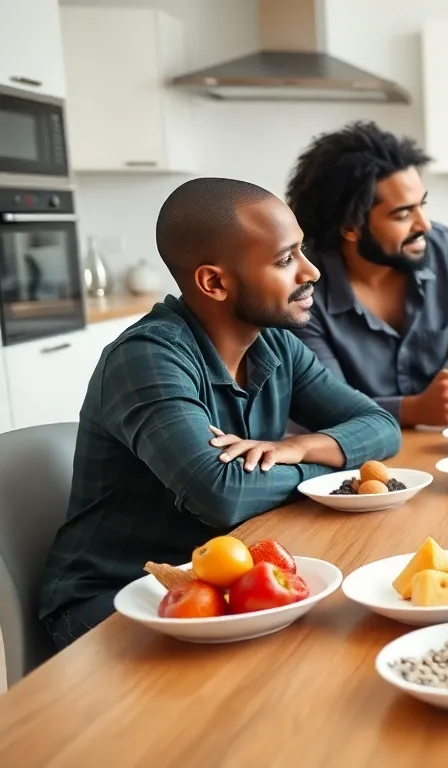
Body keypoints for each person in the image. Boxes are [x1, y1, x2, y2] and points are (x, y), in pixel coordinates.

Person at [38, 178, 403, 648]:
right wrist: (328, 471)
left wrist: (295, 448)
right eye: (285, 259)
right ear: (214, 282)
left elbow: (381, 427)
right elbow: (222, 495)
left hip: (220, 585)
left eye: (302, 251)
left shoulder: (276, 344)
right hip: (117, 597)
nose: (310, 272)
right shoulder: (146, 358)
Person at [286, 121, 448, 427]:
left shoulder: (443, 248)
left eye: (422, 205)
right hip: (349, 454)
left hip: (436, 444)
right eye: (403, 214)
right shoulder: (303, 286)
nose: (424, 224)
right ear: (350, 226)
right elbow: (325, 403)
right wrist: (413, 410)